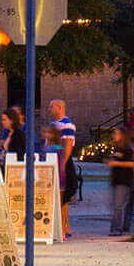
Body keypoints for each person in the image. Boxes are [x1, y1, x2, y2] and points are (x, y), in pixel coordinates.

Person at [49, 99, 77, 237]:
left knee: (62, 196)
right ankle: (63, 226)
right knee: (57, 196)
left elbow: (68, 145)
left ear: (59, 108)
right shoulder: (52, 124)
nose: (49, 109)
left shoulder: (67, 124)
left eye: (51, 106)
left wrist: (63, 164)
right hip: (53, 160)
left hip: (62, 162)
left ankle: (65, 226)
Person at [106, 127, 134, 235]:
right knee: (116, 205)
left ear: (122, 136)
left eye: (116, 133)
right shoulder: (117, 149)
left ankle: (116, 229)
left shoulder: (127, 149)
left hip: (124, 180)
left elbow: (132, 163)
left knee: (118, 206)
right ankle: (122, 226)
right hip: (116, 180)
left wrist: (117, 164)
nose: (114, 135)